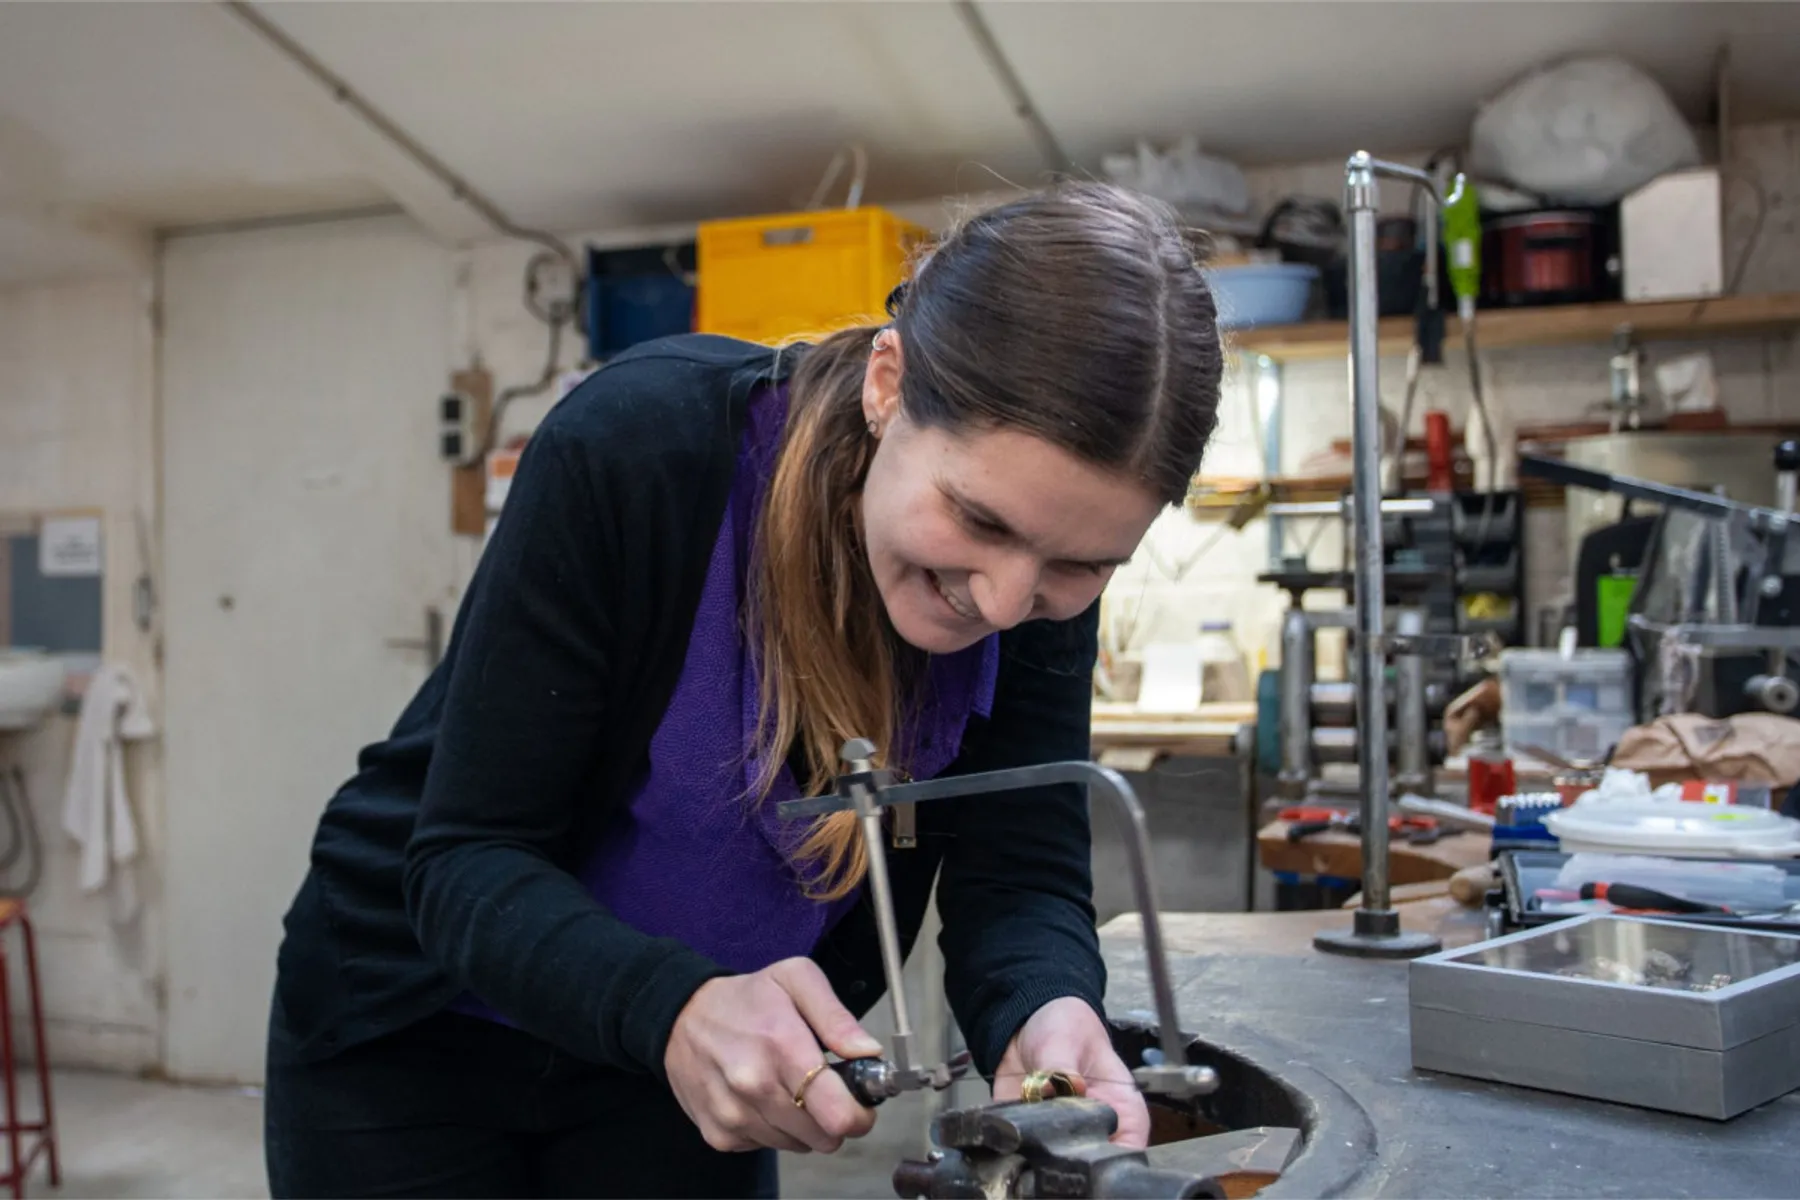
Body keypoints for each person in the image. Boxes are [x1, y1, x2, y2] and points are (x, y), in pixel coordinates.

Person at [262, 180, 1223, 1198]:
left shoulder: (1036, 587)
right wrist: (675, 1007)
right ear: (889, 385)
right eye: (978, 522)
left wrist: (1046, 1008)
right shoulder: (639, 449)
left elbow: (1020, 874)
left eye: (1081, 565)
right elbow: (465, 862)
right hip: (415, 1032)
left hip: (673, 1069)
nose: (1002, 598)